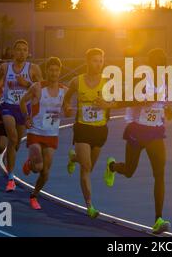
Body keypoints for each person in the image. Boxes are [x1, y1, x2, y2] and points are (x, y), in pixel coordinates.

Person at [103, 48, 172, 235]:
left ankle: (158, 219)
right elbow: (129, 99)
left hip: (156, 133)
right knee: (129, 171)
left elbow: (163, 105)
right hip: (137, 130)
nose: (160, 68)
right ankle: (112, 167)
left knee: (159, 174)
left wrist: (167, 111)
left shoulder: (164, 82)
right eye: (156, 65)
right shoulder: (141, 79)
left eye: (162, 65)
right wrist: (140, 101)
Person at [62, 48, 109, 219]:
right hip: (82, 128)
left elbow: (116, 102)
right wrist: (66, 107)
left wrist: (106, 104)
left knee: (89, 165)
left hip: (100, 130)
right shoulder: (76, 81)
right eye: (95, 60)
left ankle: (73, 158)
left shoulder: (107, 82)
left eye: (101, 60)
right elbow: (66, 98)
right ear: (88, 61)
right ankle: (89, 206)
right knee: (86, 167)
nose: (99, 64)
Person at [20, 57, 70, 210]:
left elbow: (67, 110)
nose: (54, 73)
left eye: (56, 70)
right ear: (46, 71)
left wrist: (68, 111)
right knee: (38, 167)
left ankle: (34, 195)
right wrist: (26, 117)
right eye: (51, 70)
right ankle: (30, 163)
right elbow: (22, 102)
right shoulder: (37, 88)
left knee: (45, 172)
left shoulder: (65, 90)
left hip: (52, 133)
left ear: (59, 72)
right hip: (35, 131)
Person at [0, 39, 43, 192]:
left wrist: (27, 84)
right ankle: (10, 178)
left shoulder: (33, 69)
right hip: (8, 106)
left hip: (24, 108)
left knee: (15, 144)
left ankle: (7, 163)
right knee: (13, 138)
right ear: (13, 52)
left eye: (24, 49)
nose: (21, 52)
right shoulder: (5, 67)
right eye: (19, 49)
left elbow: (41, 88)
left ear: (27, 52)